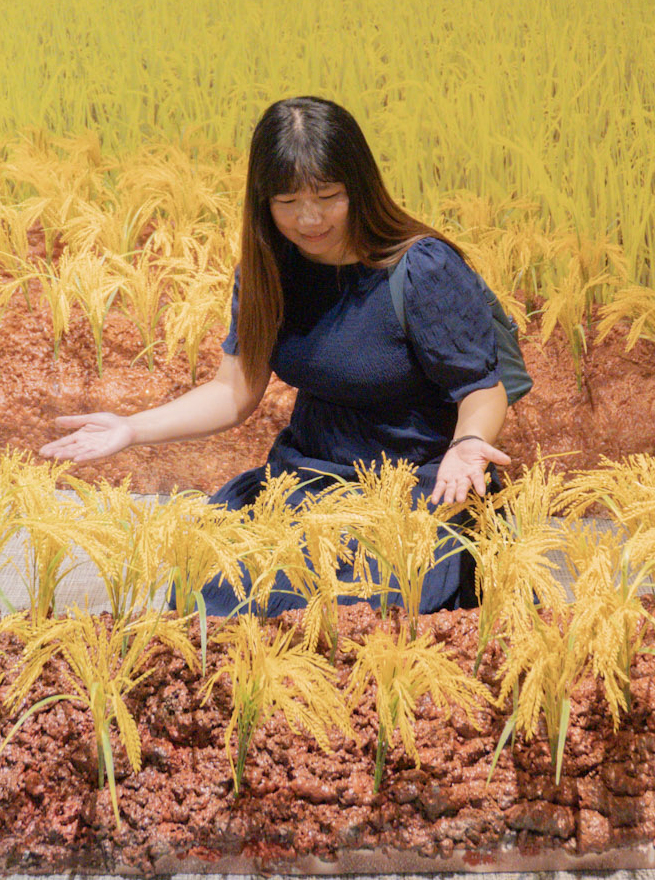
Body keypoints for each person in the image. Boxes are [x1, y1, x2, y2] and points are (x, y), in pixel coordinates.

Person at [40, 94, 514, 617]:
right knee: (214, 583)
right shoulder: (271, 269)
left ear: (360, 188)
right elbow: (233, 391)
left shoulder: (421, 269)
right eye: (287, 202)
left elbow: (481, 389)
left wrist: (469, 446)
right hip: (307, 480)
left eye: (328, 196)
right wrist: (131, 429)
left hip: (414, 487)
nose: (309, 219)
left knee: (344, 611)